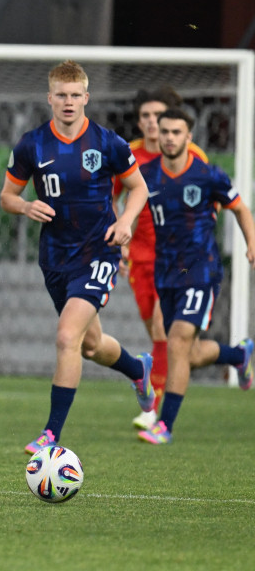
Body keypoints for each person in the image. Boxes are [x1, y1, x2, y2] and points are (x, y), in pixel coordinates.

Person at [0, 60, 155, 454]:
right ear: (49, 98)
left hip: (99, 249)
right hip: (55, 257)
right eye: (61, 95)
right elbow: (6, 196)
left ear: (86, 97)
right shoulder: (31, 145)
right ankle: (138, 369)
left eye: (75, 95)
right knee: (90, 344)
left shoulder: (108, 143)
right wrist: (24, 207)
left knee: (67, 336)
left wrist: (126, 223)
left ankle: (50, 434)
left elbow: (138, 188)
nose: (68, 102)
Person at [137, 108, 255, 445]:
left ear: (189, 137)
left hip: (200, 270)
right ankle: (238, 355)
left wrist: (252, 245)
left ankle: (165, 425)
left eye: (177, 132)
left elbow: (240, 209)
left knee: (175, 341)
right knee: (185, 353)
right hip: (166, 273)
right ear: (156, 135)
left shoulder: (208, 176)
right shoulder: (146, 175)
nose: (170, 138)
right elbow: (129, 209)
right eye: (165, 132)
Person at [116, 87, 210, 430]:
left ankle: (152, 407)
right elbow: (111, 196)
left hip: (179, 260)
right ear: (139, 121)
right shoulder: (127, 154)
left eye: (159, 116)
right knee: (176, 345)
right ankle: (234, 355)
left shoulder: (193, 156)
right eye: (145, 116)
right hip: (140, 257)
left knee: (162, 327)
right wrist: (119, 239)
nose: (152, 123)